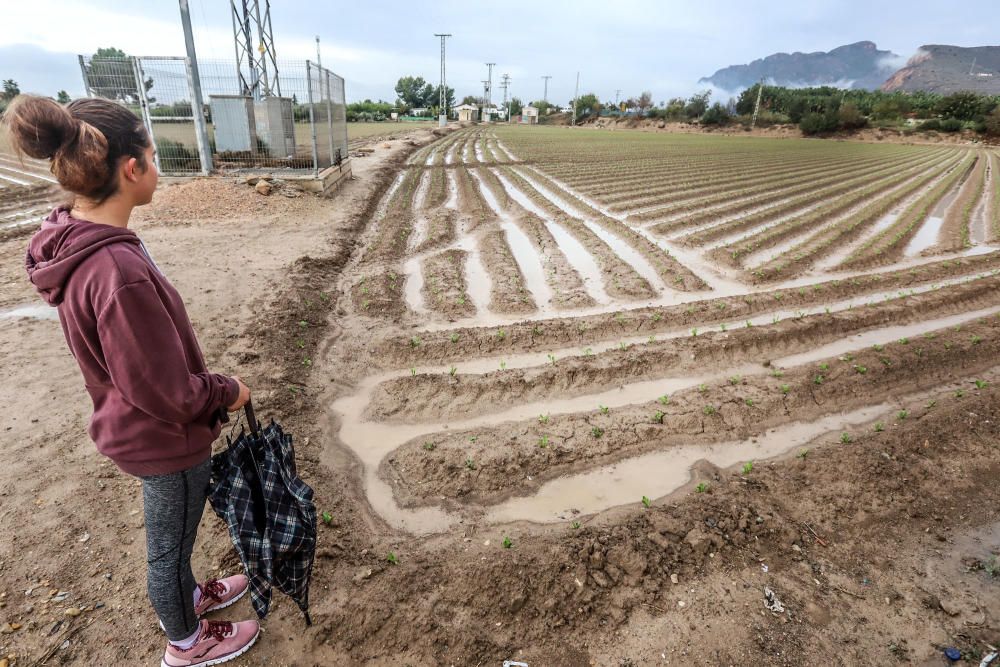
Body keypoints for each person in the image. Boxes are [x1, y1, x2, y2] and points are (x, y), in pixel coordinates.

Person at [4, 95, 260, 667]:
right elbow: (166, 392)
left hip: (142, 425)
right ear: (130, 167)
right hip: (165, 436)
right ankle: (186, 642)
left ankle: (190, 599)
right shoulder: (116, 270)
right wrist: (226, 390)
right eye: (152, 154)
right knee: (168, 546)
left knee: (178, 536)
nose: (157, 166)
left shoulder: (82, 241)